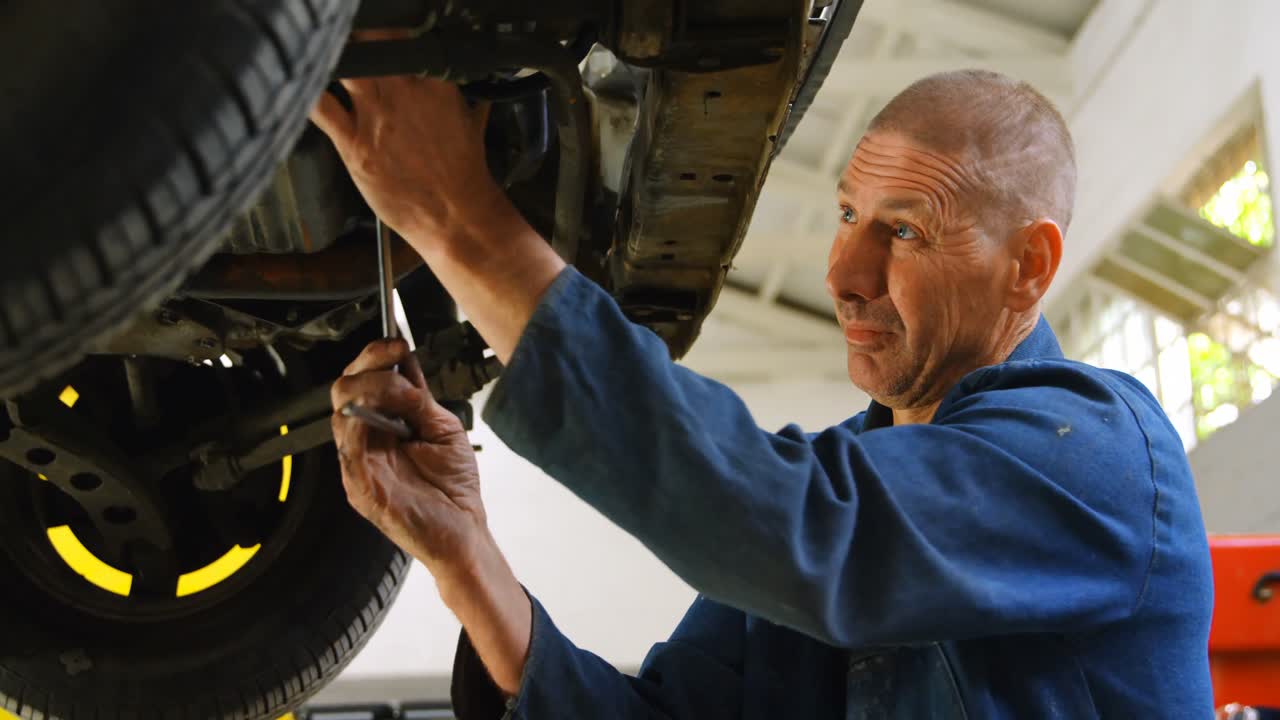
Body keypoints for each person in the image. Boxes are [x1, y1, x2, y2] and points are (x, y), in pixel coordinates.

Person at [314, 69, 1215, 718]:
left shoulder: (1098, 452)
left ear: (1030, 267)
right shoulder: (828, 516)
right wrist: (464, 557)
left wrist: (461, 221)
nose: (845, 274)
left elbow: (812, 533)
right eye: (848, 216)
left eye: (903, 230)